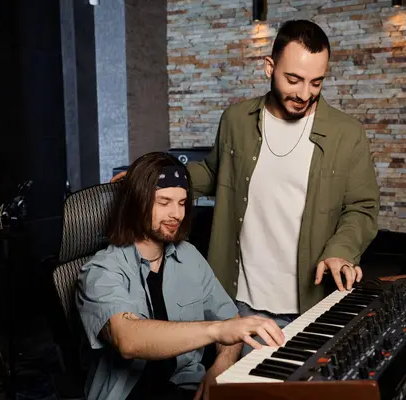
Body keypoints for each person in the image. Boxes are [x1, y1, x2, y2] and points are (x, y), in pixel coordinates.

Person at [112, 19, 380, 356]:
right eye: (293, 79)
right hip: (236, 302)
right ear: (269, 66)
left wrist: (342, 248)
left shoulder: (348, 133)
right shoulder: (236, 120)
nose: (304, 93)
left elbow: (362, 207)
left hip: (308, 306)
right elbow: (211, 173)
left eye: (316, 82)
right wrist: (150, 179)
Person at [76, 152, 285, 400]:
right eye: (164, 202)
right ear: (137, 203)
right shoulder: (101, 271)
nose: (177, 214)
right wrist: (217, 330)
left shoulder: (189, 256)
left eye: (182, 203)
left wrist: (221, 366)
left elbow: (231, 319)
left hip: (186, 388)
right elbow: (128, 339)